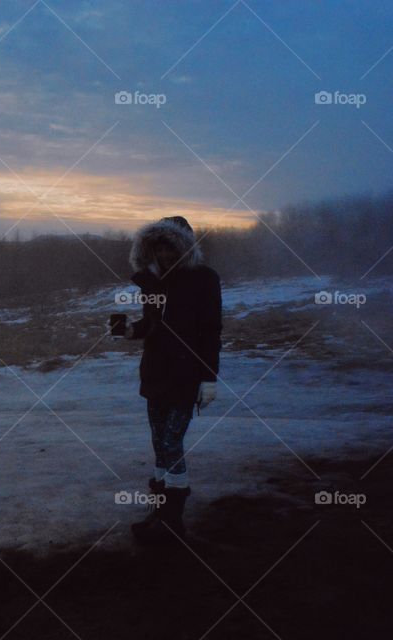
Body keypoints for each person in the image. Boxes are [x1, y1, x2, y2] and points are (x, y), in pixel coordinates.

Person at [124, 216, 222, 544]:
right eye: (159, 247)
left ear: (185, 247)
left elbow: (211, 332)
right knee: (158, 446)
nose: (165, 254)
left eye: (171, 247)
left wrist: (209, 379)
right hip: (155, 372)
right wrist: (130, 330)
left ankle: (173, 520)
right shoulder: (153, 281)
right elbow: (152, 323)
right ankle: (160, 511)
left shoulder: (205, 279)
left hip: (186, 375)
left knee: (171, 443)